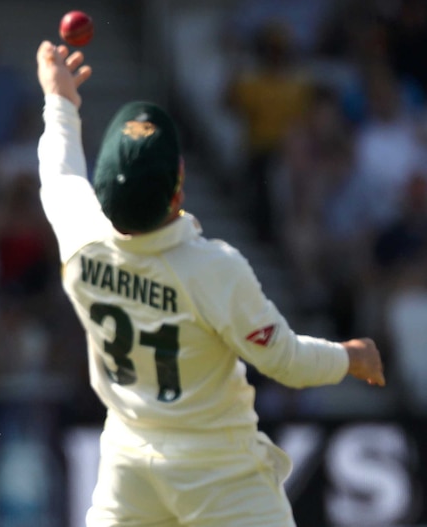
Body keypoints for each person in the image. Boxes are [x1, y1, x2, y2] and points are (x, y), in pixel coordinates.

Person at [34, 39, 386, 526]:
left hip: (129, 467)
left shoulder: (79, 234)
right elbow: (284, 360)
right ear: (178, 189)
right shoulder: (213, 269)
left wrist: (59, 100)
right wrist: (349, 357)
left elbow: (58, 171)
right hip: (221, 474)